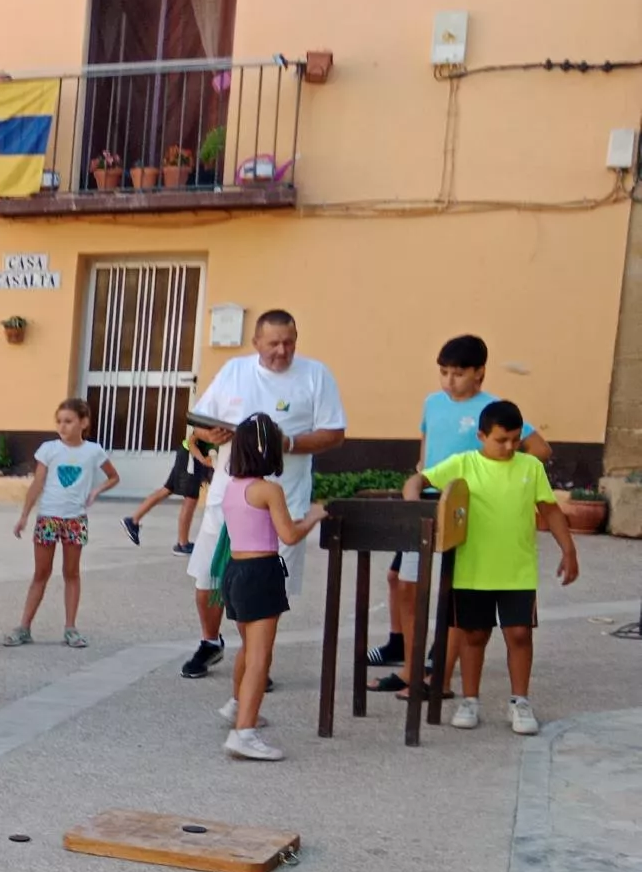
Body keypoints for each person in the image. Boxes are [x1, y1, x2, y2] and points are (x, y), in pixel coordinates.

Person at [368, 334, 551, 695]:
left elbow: (538, 449)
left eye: (458, 374)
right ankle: (410, 668)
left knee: (453, 592)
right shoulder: (432, 403)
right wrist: (418, 483)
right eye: (444, 373)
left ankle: (440, 678)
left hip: (466, 508)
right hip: (427, 502)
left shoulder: (492, 408)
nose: (449, 381)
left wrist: (500, 478)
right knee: (407, 585)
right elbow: (427, 449)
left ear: (479, 373)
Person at [180, 310, 346, 679]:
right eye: (273, 344)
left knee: (264, 590)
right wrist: (212, 435)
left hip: (282, 497)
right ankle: (210, 642)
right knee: (208, 575)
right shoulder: (233, 371)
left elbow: (334, 433)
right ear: (256, 343)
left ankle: (255, 661)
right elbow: (200, 426)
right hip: (230, 496)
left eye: (289, 342)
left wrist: (289, 442)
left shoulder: (315, 374)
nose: (281, 351)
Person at [405, 399, 578, 735]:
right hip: (472, 569)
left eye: (515, 439)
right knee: (474, 635)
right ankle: (470, 700)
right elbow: (418, 479)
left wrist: (568, 549)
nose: (510, 446)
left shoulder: (530, 467)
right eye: (502, 440)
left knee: (519, 633)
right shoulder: (464, 463)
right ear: (482, 436)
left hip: (517, 569)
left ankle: (520, 701)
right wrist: (414, 509)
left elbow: (550, 510)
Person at [214, 415, 328, 761]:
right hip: (261, 572)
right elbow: (289, 535)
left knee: (248, 650)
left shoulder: (232, 486)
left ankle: (238, 708)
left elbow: (263, 525)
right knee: (261, 657)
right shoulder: (269, 489)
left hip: (235, 570)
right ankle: (243, 733)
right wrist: (314, 516)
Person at [7, 398, 119, 648]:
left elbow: (113, 476)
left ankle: (70, 628)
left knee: (71, 572)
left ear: (84, 422)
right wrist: (25, 515)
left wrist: (95, 491)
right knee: (41, 573)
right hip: (48, 516)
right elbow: (37, 482)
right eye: (59, 422)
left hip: (75, 519)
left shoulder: (93, 451)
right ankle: (24, 626)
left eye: (68, 421)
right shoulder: (49, 449)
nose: (63, 426)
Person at [122, 434, 213, 554]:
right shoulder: (210, 421)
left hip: (188, 455)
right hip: (191, 456)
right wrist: (202, 461)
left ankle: (133, 520)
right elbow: (192, 441)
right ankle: (182, 544)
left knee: (167, 489)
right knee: (191, 497)